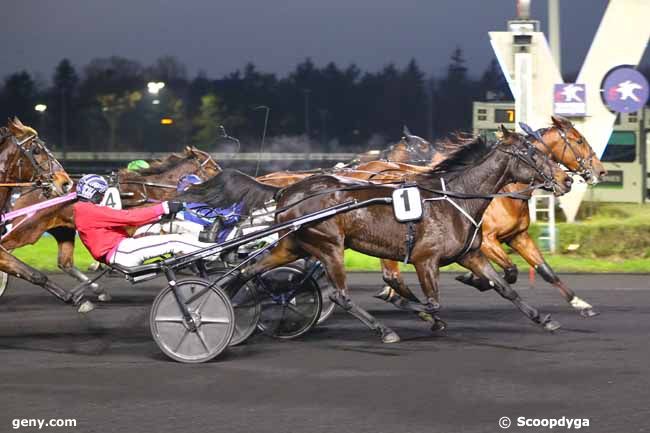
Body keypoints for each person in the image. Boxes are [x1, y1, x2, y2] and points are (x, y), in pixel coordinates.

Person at [74, 174, 217, 268]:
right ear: (92, 192)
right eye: (101, 194)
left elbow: (125, 220)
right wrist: (164, 207)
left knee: (167, 231)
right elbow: (129, 217)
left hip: (121, 248)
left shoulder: (85, 209)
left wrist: (159, 216)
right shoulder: (87, 210)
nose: (102, 197)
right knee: (174, 241)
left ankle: (207, 247)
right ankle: (217, 252)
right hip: (121, 252)